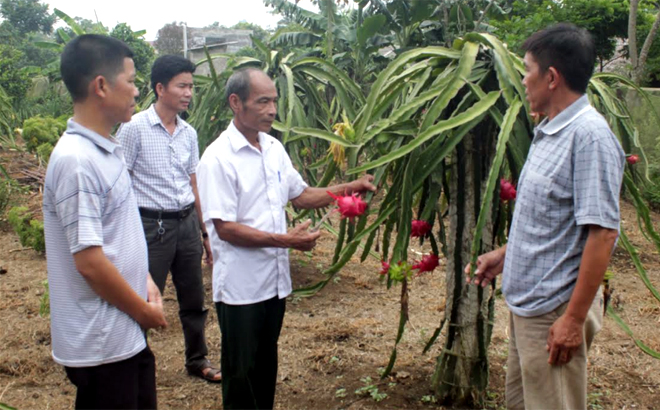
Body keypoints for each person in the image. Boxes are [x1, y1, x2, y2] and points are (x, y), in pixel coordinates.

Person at [196, 67, 376, 409]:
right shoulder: (218, 158)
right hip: (241, 289)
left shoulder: (274, 148)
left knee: (265, 368)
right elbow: (225, 229)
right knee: (240, 374)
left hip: (274, 284)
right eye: (262, 101)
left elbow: (302, 195)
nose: (272, 110)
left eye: (275, 101)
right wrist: (286, 241)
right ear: (236, 102)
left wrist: (349, 188)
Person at [466, 24, 625, 410]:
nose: (521, 78)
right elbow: (553, 218)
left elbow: (602, 234)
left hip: (554, 312)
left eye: (527, 68)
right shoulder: (549, 129)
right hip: (529, 309)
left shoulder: (589, 138)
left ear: (551, 77)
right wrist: (507, 255)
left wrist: (572, 320)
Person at [43, 34, 167, 410]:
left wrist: (144, 279)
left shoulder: (105, 149)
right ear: (101, 86)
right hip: (101, 341)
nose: (135, 92)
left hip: (122, 331)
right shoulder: (77, 161)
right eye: (130, 81)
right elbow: (91, 263)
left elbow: (116, 233)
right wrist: (144, 311)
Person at [116, 55, 221, 383]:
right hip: (150, 226)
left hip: (186, 222)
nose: (189, 93)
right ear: (160, 88)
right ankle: (132, 363)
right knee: (144, 297)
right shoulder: (134, 129)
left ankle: (197, 360)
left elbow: (194, 183)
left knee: (194, 299)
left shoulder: (189, 133)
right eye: (182, 86)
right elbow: (121, 180)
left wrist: (205, 233)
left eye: (191, 86)